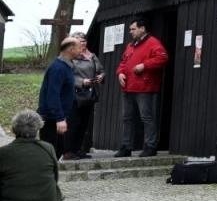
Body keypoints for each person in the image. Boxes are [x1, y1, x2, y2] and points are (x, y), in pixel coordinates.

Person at [0, 111, 64, 201]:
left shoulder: (4, 153)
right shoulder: (48, 148)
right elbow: (55, 177)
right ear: (38, 129)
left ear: (14, 130)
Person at [115, 18, 169, 157]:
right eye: (130, 29)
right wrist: (120, 73)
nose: (130, 32)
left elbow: (162, 58)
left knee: (146, 117)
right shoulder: (131, 45)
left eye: (133, 29)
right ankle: (126, 147)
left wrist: (144, 65)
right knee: (127, 118)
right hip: (128, 87)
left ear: (142, 29)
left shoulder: (153, 43)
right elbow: (123, 62)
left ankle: (151, 146)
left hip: (144, 87)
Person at [37, 36, 82, 157]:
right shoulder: (58, 68)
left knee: (57, 152)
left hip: (58, 118)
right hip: (51, 119)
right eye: (79, 48)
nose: (81, 50)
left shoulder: (67, 66)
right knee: (50, 154)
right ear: (71, 49)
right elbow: (52, 94)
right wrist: (59, 118)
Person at [65, 31, 105, 160]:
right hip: (74, 95)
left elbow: (101, 70)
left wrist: (100, 77)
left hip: (89, 95)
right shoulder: (69, 57)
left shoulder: (91, 56)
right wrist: (82, 82)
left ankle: (78, 149)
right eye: (79, 41)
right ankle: (68, 151)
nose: (83, 43)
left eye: (84, 41)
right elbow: (67, 76)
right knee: (73, 123)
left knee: (84, 124)